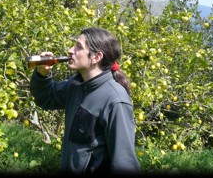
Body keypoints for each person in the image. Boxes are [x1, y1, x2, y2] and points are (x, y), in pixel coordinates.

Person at [30, 27, 140, 175]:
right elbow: (46, 98)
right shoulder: (76, 86)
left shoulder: (116, 100)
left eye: (78, 47)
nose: (70, 50)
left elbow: (124, 162)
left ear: (96, 57)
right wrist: (42, 74)